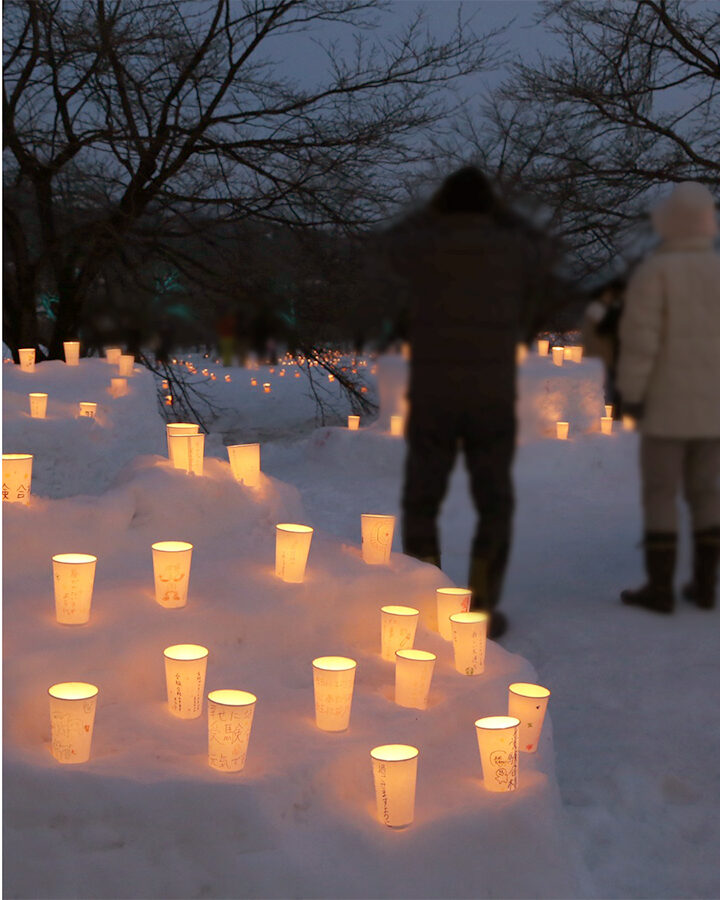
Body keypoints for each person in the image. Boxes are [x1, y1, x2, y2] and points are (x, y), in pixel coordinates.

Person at [387, 166, 573, 639]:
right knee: (493, 500)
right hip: (490, 392)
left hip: (433, 391)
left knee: (422, 496)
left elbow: (392, 250)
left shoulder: (422, 248)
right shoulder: (513, 248)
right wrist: (506, 218)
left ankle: (425, 600)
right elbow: (548, 256)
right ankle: (483, 604)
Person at [618, 181, 720, 613]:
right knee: (708, 493)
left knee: (661, 492)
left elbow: (642, 341)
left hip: (666, 407)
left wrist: (632, 393)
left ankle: (659, 588)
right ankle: (704, 584)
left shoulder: (655, 271)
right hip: (714, 408)